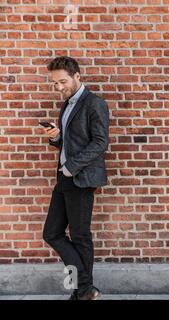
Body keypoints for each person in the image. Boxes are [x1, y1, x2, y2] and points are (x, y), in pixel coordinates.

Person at [41, 56, 109, 300]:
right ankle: (85, 289)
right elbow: (71, 142)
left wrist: (71, 166)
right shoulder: (66, 104)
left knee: (80, 236)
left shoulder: (94, 104)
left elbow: (101, 142)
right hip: (64, 177)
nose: (59, 88)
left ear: (77, 76)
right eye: (54, 84)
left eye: (62, 82)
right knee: (52, 233)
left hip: (80, 177)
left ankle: (80, 291)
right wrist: (56, 137)